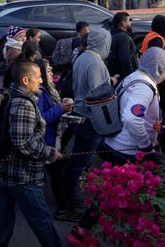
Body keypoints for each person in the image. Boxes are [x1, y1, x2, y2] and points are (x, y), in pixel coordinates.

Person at [67, 48, 165, 247]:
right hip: (129, 151)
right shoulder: (144, 87)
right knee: (140, 196)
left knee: (109, 192)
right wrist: (146, 145)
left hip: (115, 144)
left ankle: (81, 232)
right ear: (158, 68)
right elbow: (132, 119)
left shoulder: (133, 77)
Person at [0, 60, 63, 247]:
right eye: (37, 77)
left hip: (9, 172)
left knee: (2, 219)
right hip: (23, 175)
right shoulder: (23, 104)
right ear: (25, 80)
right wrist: (50, 152)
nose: (41, 81)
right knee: (42, 222)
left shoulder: (17, 95)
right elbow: (24, 144)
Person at [63, 29, 113, 212]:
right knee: (80, 160)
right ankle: (69, 196)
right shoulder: (95, 62)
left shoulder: (83, 57)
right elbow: (98, 95)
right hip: (90, 118)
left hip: (80, 113)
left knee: (92, 153)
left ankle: (118, 178)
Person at [34, 58, 76, 222]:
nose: (52, 73)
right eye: (49, 70)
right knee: (57, 172)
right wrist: (60, 108)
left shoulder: (47, 90)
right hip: (45, 142)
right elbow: (41, 119)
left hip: (51, 140)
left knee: (59, 169)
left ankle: (64, 206)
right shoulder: (39, 92)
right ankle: (63, 209)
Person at [106, 11, 139, 82]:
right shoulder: (123, 37)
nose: (130, 23)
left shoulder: (112, 34)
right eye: (129, 21)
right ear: (123, 23)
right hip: (123, 77)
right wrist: (131, 77)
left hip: (114, 74)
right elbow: (125, 59)